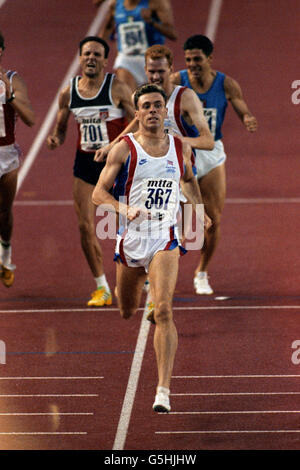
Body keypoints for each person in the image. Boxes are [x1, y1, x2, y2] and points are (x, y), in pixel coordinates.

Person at [92, 84, 211, 412]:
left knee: (164, 310)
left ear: (164, 109)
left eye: (158, 105)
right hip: (131, 238)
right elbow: (98, 194)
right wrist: (123, 209)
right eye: (147, 106)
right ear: (138, 111)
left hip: (165, 237)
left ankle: (163, 390)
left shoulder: (179, 147)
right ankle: (141, 284)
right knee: (126, 309)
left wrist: (199, 213)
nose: (154, 111)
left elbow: (188, 179)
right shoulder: (124, 149)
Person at [47, 36, 135, 307]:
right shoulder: (68, 93)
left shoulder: (116, 88)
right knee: (85, 225)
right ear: (80, 57)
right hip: (85, 163)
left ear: (105, 60)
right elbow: (60, 130)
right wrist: (54, 139)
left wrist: (114, 145)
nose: (91, 58)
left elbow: (139, 120)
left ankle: (139, 275)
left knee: (132, 223)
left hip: (117, 162)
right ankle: (102, 288)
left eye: (97, 54)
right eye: (87, 54)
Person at [171, 34, 258, 295]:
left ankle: (202, 272)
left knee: (214, 219)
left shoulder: (226, 84)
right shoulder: (177, 81)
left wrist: (247, 118)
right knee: (184, 222)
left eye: (197, 59)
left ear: (210, 58)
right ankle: (160, 268)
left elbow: (242, 106)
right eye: (188, 60)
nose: (192, 64)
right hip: (184, 150)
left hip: (211, 152)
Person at [0, 31, 35, 287]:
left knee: (4, 212)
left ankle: (6, 255)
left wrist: (11, 97)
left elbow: (31, 119)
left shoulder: (12, 80)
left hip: (7, 155)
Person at [97, 0, 177, 92]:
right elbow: (108, 28)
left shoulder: (156, 3)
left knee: (160, 98)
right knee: (129, 100)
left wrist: (151, 21)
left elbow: (172, 34)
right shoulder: (116, 4)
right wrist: (97, 46)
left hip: (153, 60)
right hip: (126, 60)